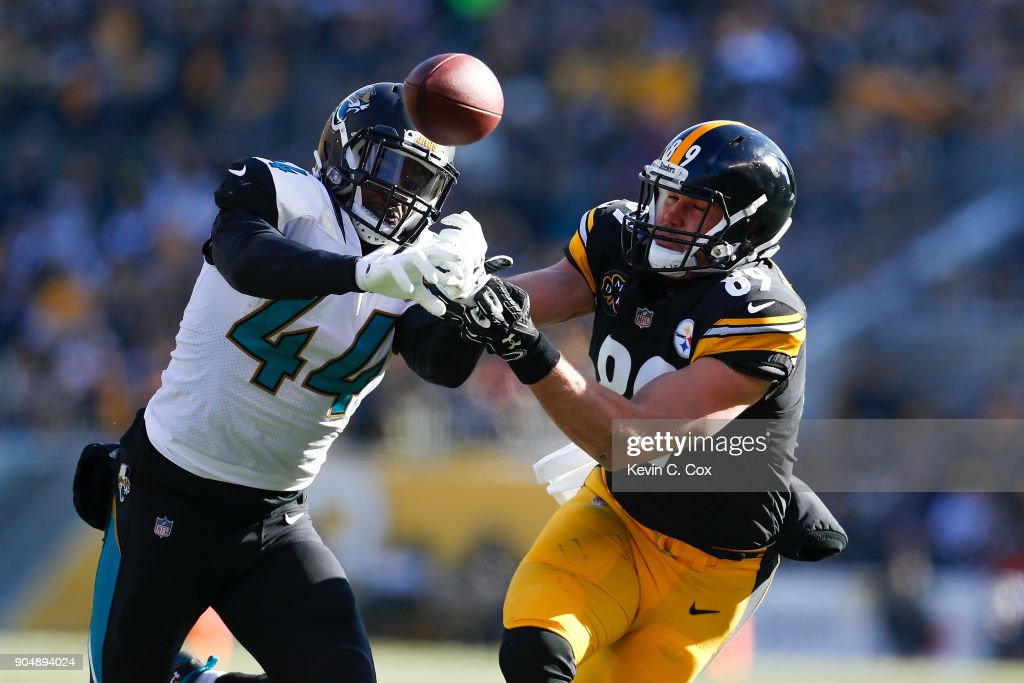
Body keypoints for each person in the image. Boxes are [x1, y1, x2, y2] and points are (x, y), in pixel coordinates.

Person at [80, 82, 491, 683]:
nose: (402, 196)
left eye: (421, 182)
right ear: (344, 155)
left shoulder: (416, 258)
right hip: (167, 490)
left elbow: (443, 367)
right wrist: (363, 272)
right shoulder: (286, 195)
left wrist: (467, 303)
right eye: (392, 169)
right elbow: (247, 260)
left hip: (269, 519)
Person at [446, 120, 847, 682]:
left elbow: (635, 442)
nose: (668, 216)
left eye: (694, 208)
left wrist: (526, 349)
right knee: (534, 650)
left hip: (707, 566)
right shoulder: (620, 237)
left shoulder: (763, 314)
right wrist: (456, 295)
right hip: (618, 512)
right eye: (668, 195)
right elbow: (546, 294)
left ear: (745, 230)